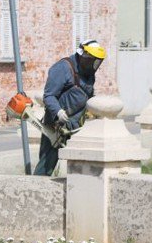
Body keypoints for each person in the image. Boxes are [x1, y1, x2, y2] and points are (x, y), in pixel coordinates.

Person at [34, 39, 106, 176]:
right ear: (83, 56)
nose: (95, 65)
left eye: (97, 61)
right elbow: (48, 96)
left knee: (79, 165)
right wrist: (59, 112)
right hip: (57, 127)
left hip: (77, 128)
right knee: (46, 166)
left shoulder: (89, 73)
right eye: (93, 60)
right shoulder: (63, 68)